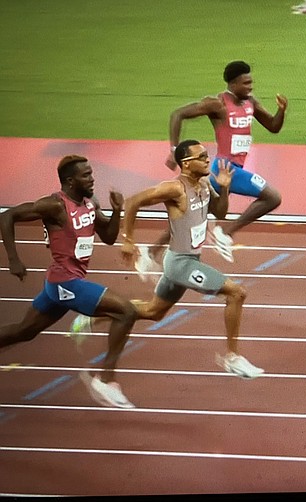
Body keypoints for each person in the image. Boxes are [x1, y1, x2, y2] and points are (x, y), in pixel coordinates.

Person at [0, 155, 138, 409]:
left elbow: (108, 237)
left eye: (92, 173)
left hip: (64, 283)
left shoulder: (90, 203)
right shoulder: (55, 205)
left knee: (24, 331)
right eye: (86, 175)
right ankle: (105, 380)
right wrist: (13, 259)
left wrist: (117, 211)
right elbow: (7, 216)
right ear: (70, 181)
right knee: (126, 311)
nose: (92, 178)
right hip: (64, 282)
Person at [119, 139, 264, 379]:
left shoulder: (205, 183)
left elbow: (220, 212)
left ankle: (97, 313)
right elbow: (133, 201)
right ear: (186, 164)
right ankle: (232, 357)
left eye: (207, 155)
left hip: (183, 260)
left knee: (153, 311)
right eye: (202, 156)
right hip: (181, 265)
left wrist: (225, 187)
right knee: (236, 293)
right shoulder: (174, 188)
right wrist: (128, 239)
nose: (209, 159)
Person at [137, 60, 287, 275]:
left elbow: (273, 127)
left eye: (251, 82)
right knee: (272, 197)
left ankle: (150, 252)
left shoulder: (250, 103)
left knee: (192, 216)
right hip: (225, 169)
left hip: (228, 170)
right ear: (233, 84)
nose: (250, 87)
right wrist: (173, 149)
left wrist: (281, 111)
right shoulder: (217, 104)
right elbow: (177, 114)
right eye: (246, 83)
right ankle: (224, 232)